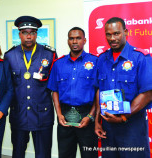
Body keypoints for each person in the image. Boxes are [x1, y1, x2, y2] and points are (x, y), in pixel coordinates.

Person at [95, 17, 152, 158]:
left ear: (125, 32)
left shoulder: (141, 57)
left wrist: (123, 117)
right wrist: (97, 121)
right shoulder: (102, 59)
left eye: (116, 33)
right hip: (108, 127)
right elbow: (98, 90)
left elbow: (147, 93)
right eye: (108, 34)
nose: (112, 38)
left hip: (132, 127)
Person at [4, 16, 58, 158]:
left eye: (32, 32)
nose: (29, 36)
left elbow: (55, 85)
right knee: (18, 153)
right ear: (19, 34)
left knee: (43, 154)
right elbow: (7, 86)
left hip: (42, 114)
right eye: (25, 32)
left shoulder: (49, 54)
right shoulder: (9, 55)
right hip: (19, 114)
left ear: (36, 34)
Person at [47, 27, 98, 158]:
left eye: (78, 38)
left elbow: (99, 91)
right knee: (65, 154)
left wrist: (91, 116)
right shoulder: (58, 64)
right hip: (65, 117)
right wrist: (59, 115)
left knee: (89, 154)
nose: (75, 41)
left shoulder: (95, 62)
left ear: (84, 40)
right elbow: (55, 91)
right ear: (68, 41)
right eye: (71, 38)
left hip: (87, 116)